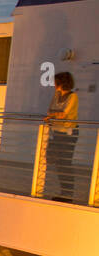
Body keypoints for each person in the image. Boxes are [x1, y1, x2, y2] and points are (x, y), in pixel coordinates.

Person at [43, 71, 79, 201]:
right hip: (57, 131)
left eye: (55, 82)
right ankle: (63, 191)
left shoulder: (73, 96)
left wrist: (53, 115)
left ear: (61, 83)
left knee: (65, 162)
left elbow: (64, 114)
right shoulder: (56, 95)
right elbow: (50, 111)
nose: (54, 84)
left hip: (68, 133)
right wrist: (54, 114)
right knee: (57, 162)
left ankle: (68, 193)